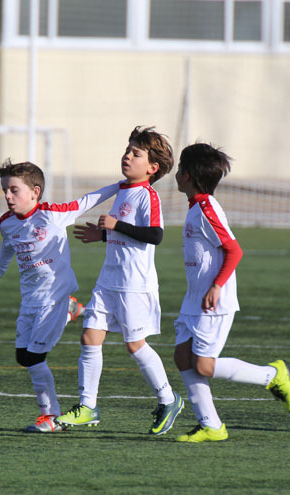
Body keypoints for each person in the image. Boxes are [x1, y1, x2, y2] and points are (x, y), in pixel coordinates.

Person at [56, 126, 184, 436]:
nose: (127, 156)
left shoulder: (148, 195)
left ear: (152, 168)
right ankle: (88, 406)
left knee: (135, 345)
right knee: (90, 337)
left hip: (134, 285)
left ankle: (169, 400)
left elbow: (155, 235)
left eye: (136, 154)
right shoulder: (123, 190)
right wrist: (102, 235)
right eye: (127, 151)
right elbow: (126, 235)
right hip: (108, 280)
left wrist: (115, 225)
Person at [171, 143, 290, 443]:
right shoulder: (196, 206)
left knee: (203, 365)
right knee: (182, 357)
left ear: (187, 176)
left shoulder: (206, 209)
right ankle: (211, 425)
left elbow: (234, 250)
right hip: (194, 298)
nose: (176, 173)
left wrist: (216, 285)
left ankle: (272, 375)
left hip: (214, 301)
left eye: (179, 168)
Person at [0, 159, 119, 433]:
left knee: (35, 358)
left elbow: (88, 200)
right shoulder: (7, 222)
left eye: (14, 190)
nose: (7, 196)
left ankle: (51, 416)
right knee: (23, 356)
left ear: (35, 192)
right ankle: (72, 310)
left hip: (53, 298)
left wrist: (122, 185)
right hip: (30, 300)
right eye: (5, 190)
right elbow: (8, 246)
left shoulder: (52, 215)